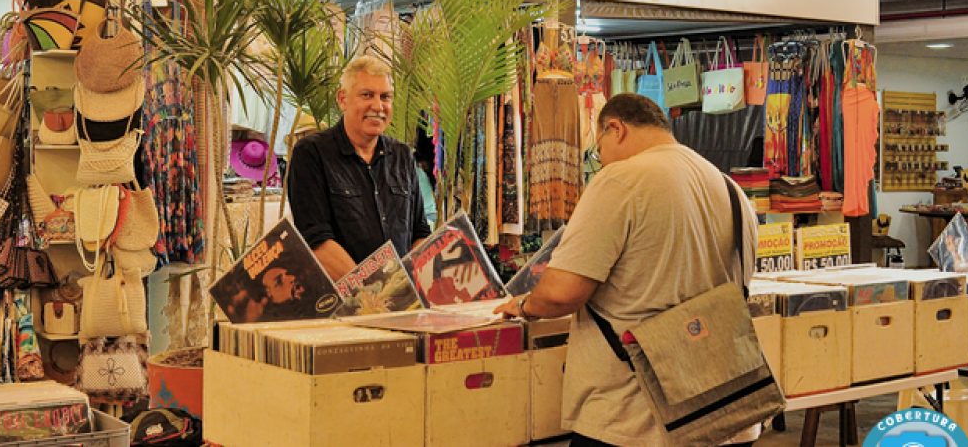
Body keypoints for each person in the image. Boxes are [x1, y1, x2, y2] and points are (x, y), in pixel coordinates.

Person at [495, 93, 758, 446]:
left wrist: (526, 305)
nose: (601, 161)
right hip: (726, 410)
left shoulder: (622, 180)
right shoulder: (730, 189)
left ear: (615, 128)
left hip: (636, 419)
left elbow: (561, 294)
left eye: (598, 149)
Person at [288, 56, 432, 279]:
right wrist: (373, 293)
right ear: (343, 99)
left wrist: (409, 289)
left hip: (400, 304)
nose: (378, 106)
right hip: (342, 305)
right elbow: (316, 240)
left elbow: (420, 232)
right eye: (367, 95)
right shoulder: (311, 154)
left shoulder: (402, 155)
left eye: (385, 97)